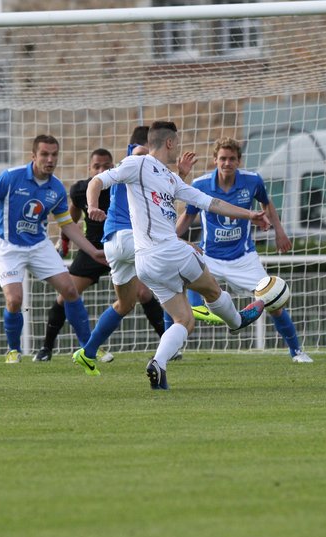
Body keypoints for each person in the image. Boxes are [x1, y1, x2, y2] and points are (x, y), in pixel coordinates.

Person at [76, 121, 270, 390]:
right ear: (169, 143)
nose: (177, 147)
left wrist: (249, 214)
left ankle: (159, 363)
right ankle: (237, 321)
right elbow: (98, 180)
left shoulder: (170, 178)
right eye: (176, 143)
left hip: (145, 263)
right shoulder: (138, 163)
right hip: (169, 252)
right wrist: (94, 206)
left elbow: (210, 202)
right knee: (212, 290)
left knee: (183, 320)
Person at [0, 135, 101, 363]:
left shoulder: (56, 188)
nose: (50, 159)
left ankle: (88, 349)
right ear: (34, 156)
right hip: (9, 246)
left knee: (69, 290)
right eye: (45, 154)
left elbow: (67, 224)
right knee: (15, 300)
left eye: (54, 154)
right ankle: (13, 350)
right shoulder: (10, 177)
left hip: (39, 245)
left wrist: (92, 251)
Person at [176, 137, 312, 363]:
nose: (227, 163)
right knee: (175, 288)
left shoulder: (252, 181)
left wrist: (279, 231)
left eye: (231, 159)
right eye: (222, 159)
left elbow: (266, 204)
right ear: (214, 160)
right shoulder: (200, 184)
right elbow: (189, 215)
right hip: (210, 257)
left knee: (273, 302)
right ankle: (174, 348)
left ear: (239, 161)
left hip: (244, 258)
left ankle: (297, 351)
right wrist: (171, 238)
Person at [33, 147, 167, 362]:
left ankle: (168, 344)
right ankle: (46, 348)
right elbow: (72, 216)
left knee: (142, 293)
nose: (101, 169)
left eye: (106, 166)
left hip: (121, 245)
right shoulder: (81, 190)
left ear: (113, 167)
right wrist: (64, 240)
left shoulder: (123, 184)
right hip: (92, 250)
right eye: (97, 166)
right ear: (90, 168)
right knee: (67, 293)